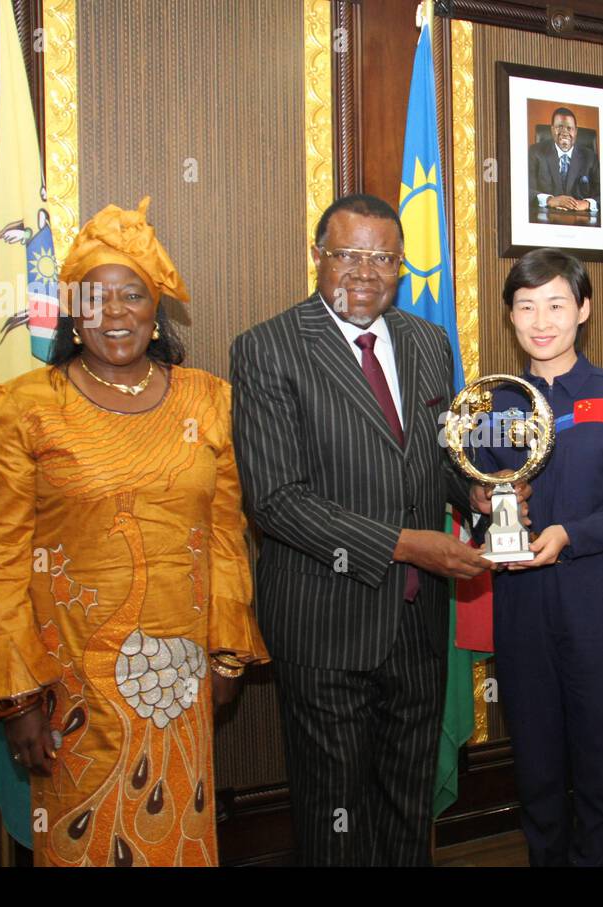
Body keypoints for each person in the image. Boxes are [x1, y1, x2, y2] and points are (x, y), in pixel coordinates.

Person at [0, 197, 269, 867]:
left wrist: (228, 651)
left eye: (133, 296)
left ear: (156, 311)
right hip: (68, 689)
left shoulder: (209, 399)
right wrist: (15, 699)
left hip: (178, 686)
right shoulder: (23, 408)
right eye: (95, 298)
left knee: (176, 832)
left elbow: (226, 532)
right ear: (72, 311)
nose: (114, 312)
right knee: (84, 840)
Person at [230, 193, 504, 866]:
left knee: (407, 804)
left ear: (401, 266)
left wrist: (477, 495)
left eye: (383, 257)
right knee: (336, 816)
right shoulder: (267, 348)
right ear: (318, 256)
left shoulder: (426, 342)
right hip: (325, 623)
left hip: (416, 623)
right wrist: (408, 544)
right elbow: (276, 500)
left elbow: (436, 458)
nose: (365, 272)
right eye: (348, 254)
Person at [475, 248, 603, 866]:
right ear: (511, 317)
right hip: (521, 613)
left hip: (600, 610)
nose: (541, 320)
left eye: (556, 304)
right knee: (538, 779)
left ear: (583, 309)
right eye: (526, 306)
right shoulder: (489, 406)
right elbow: (474, 494)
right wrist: (484, 509)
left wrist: (568, 535)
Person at [528, 107, 600, 214]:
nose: (564, 133)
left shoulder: (590, 157)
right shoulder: (535, 152)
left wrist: (587, 203)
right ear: (552, 129)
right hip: (546, 217)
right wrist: (549, 200)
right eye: (559, 127)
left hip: (581, 219)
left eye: (569, 128)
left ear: (576, 131)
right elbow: (525, 189)